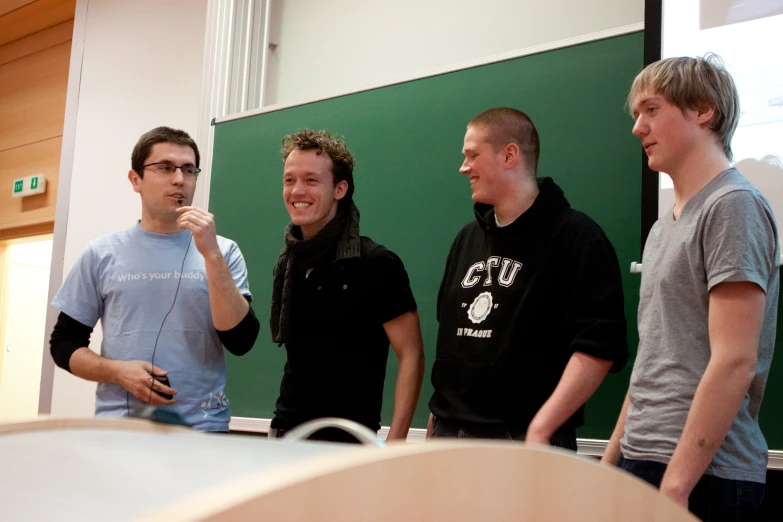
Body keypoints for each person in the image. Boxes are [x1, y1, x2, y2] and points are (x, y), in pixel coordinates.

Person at [602, 55, 778, 520]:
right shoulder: (663, 228)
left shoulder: (734, 205)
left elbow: (735, 360)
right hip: (644, 458)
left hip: (704, 476)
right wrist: (611, 457)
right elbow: (654, 357)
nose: (638, 128)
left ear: (703, 110)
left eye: (651, 110)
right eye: (636, 115)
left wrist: (677, 485)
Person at [428, 107, 628, 450]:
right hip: (449, 436)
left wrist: (541, 429)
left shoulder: (577, 237)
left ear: (509, 155)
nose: (464, 168)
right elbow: (452, 343)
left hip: (525, 439)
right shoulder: (466, 238)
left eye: (472, 155)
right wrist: (437, 419)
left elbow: (599, 348)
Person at [49, 126, 259, 432]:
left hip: (202, 430)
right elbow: (64, 344)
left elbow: (241, 341)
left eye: (189, 170)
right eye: (165, 168)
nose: (179, 179)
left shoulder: (223, 250)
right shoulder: (101, 253)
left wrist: (211, 254)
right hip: (122, 429)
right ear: (136, 180)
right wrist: (118, 373)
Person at [268, 129, 425, 442]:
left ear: (340, 188)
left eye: (311, 180)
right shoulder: (289, 262)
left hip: (349, 441)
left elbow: (411, 355)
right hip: (285, 435)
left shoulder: (375, 262)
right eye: (289, 180)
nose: (297, 191)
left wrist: (396, 441)